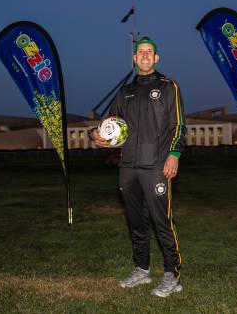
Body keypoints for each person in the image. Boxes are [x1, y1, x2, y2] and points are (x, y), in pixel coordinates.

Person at [90, 36, 186, 297]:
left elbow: (178, 126)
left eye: (149, 52)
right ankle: (142, 270)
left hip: (156, 165)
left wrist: (174, 154)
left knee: (161, 221)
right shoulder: (124, 92)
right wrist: (95, 137)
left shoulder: (168, 87)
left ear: (156, 58)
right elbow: (108, 126)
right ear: (134, 59)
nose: (144, 55)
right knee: (136, 222)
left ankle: (172, 275)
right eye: (140, 52)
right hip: (128, 166)